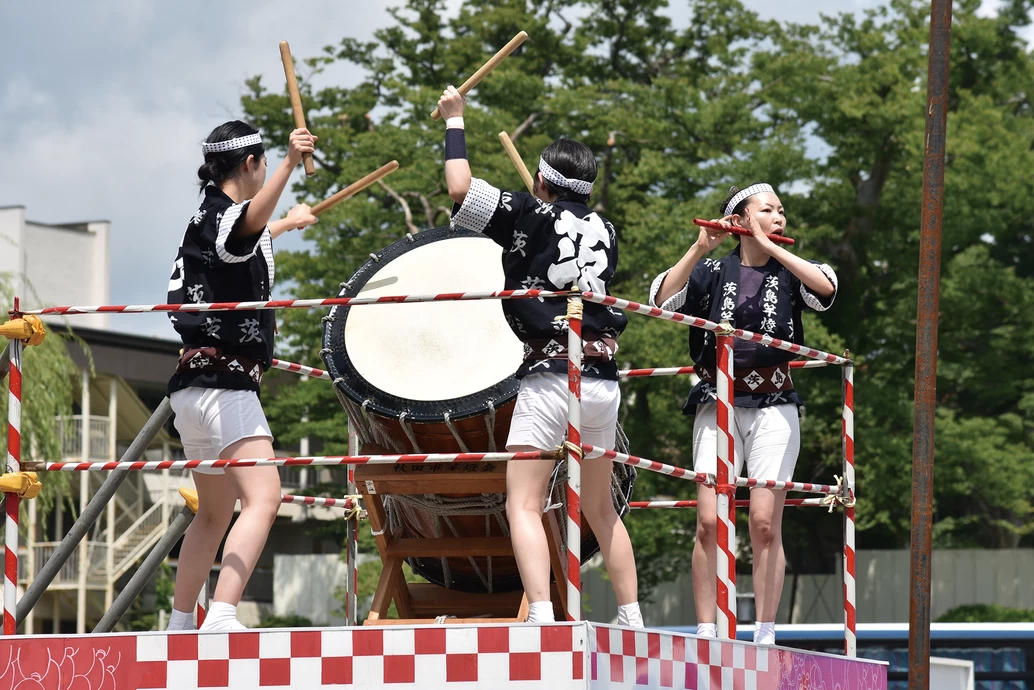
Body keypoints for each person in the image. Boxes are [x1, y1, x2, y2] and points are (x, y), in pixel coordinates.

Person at [435, 87, 642, 627]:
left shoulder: (528, 210)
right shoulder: (606, 229)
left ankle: (543, 615)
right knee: (600, 509)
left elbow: (459, 189)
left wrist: (455, 119)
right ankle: (631, 614)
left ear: (543, 181)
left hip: (551, 375)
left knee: (523, 503)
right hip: (601, 378)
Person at [649, 184, 837, 645]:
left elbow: (827, 288)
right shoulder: (712, 270)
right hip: (718, 400)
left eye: (781, 211)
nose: (779, 216)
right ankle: (707, 628)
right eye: (767, 210)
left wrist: (770, 246)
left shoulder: (793, 271)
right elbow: (659, 300)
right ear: (739, 219)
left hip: (775, 402)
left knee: (763, 521)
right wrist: (699, 246)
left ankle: (766, 631)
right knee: (710, 519)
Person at [164, 120, 318, 631]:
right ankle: (223, 612)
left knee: (213, 512)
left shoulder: (202, 220)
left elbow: (238, 243)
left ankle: (181, 620)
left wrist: (287, 223)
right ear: (250, 164)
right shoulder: (227, 218)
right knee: (265, 497)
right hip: (226, 386)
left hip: (190, 388)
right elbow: (243, 230)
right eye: (269, 162)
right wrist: (294, 165)